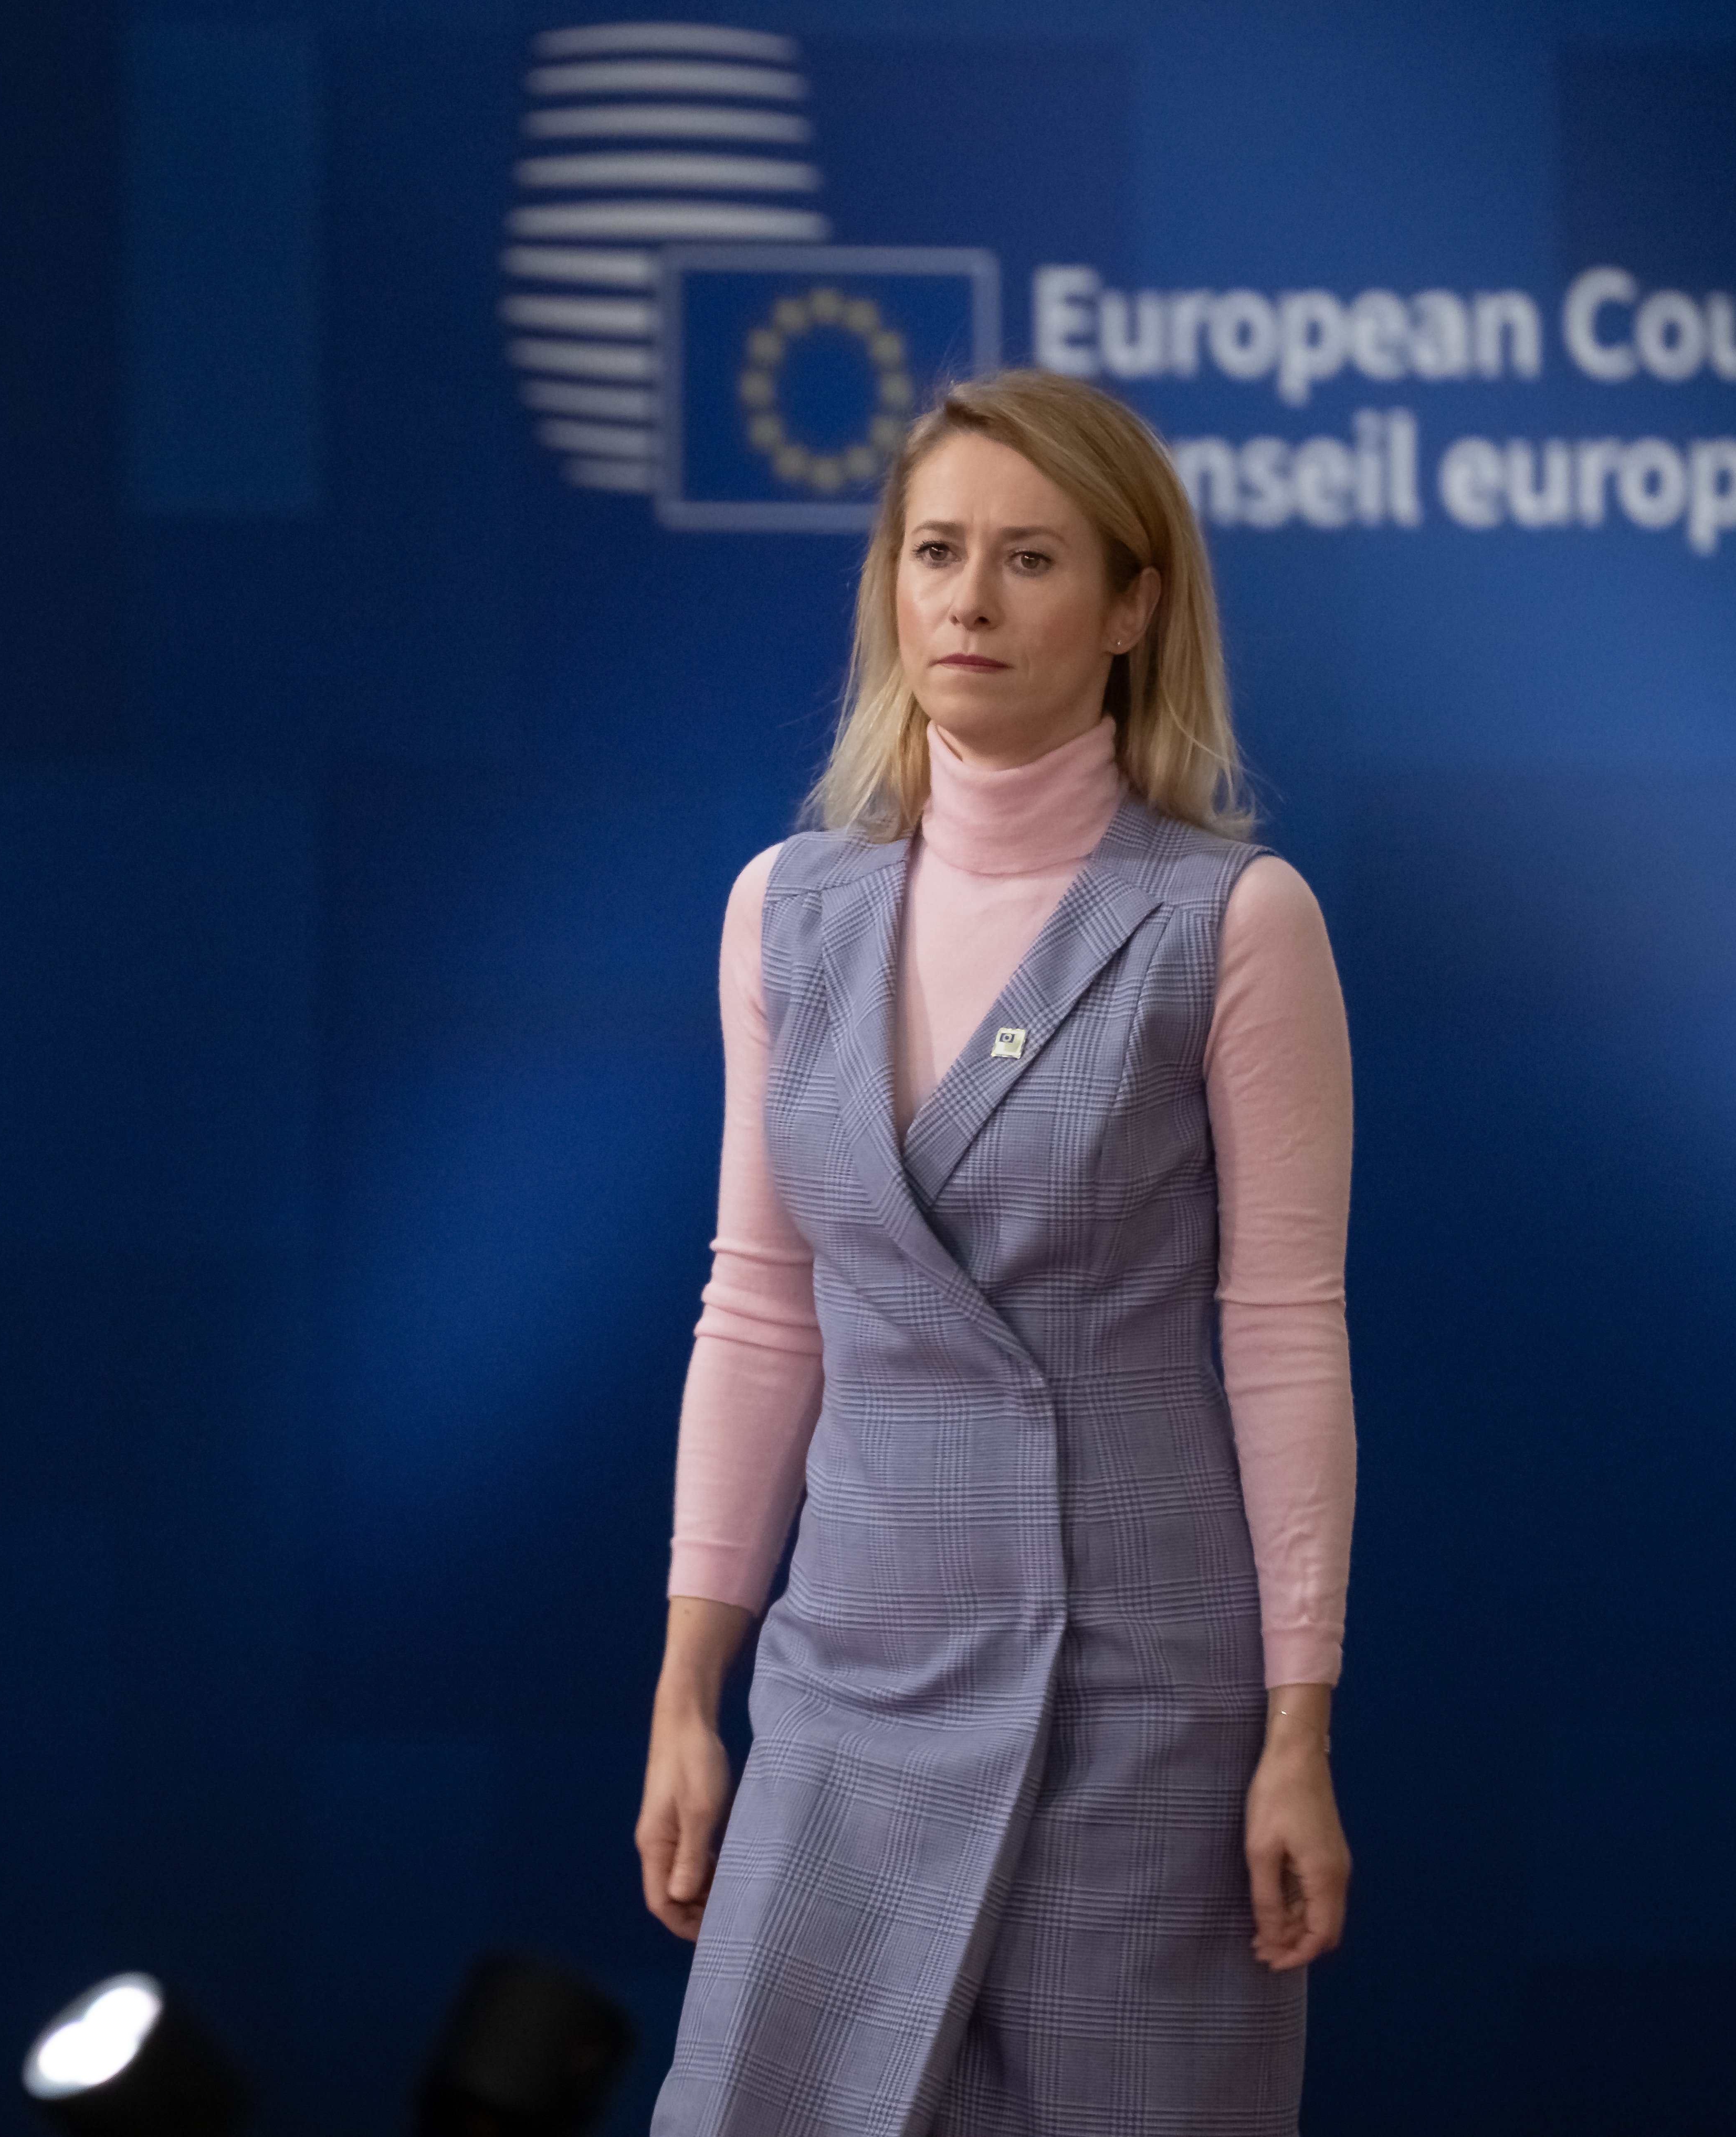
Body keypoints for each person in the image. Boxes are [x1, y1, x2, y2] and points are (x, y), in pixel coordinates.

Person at [636, 368, 1358, 2137]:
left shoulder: (1232, 920)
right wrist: (687, 1688)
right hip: (846, 1673)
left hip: (1135, 1694)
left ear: (1129, 609)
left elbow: (1283, 1338)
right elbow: (760, 1309)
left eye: (1030, 559)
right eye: (935, 551)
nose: (969, 599)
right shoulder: (783, 909)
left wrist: (1297, 1725)